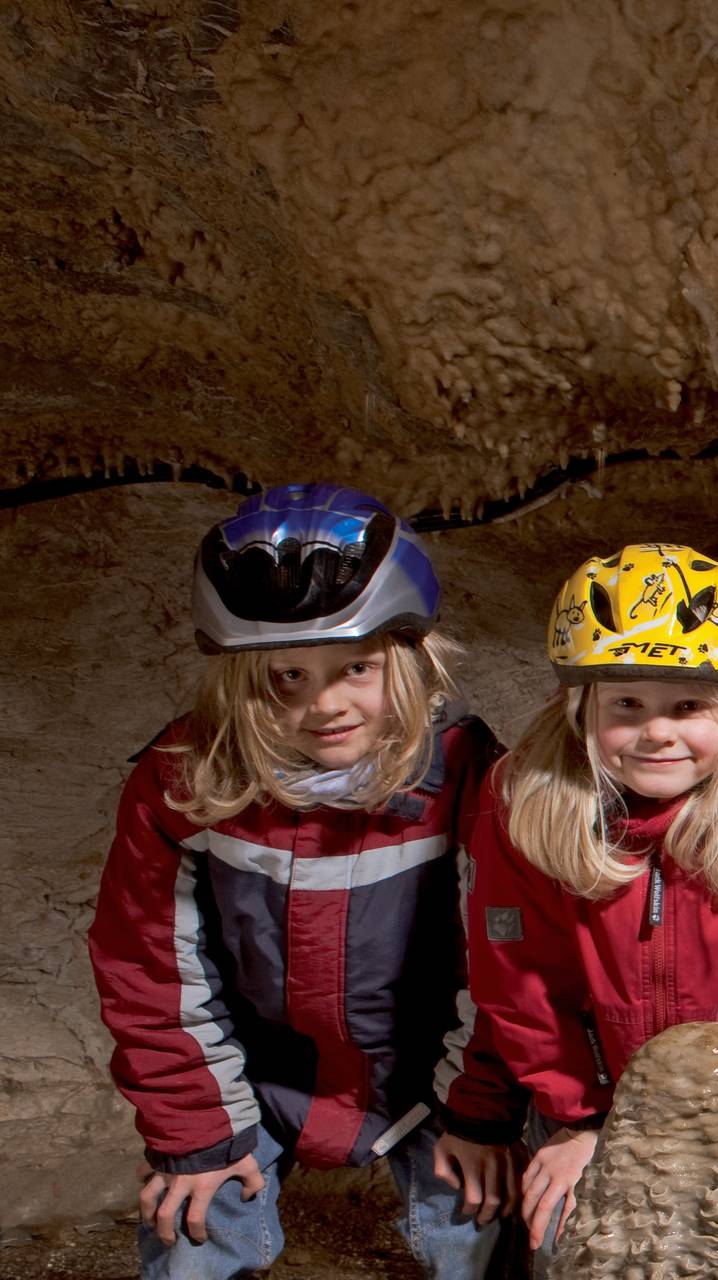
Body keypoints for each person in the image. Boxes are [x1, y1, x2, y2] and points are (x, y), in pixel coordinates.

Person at [87, 484, 517, 1279]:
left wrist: (482, 1113)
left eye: (357, 667)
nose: (325, 705)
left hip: (428, 1076)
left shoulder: (467, 774)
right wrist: (195, 1132)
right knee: (187, 1238)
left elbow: (508, 971)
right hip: (250, 1075)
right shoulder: (182, 781)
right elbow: (148, 968)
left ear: (415, 655)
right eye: (287, 676)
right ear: (239, 678)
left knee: (482, 1236)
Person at [464, 542, 718, 1255]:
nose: (657, 731)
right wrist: (583, 1119)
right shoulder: (523, 800)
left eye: (687, 705)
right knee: (578, 1250)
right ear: (579, 705)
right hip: (582, 1110)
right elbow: (522, 982)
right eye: (626, 703)